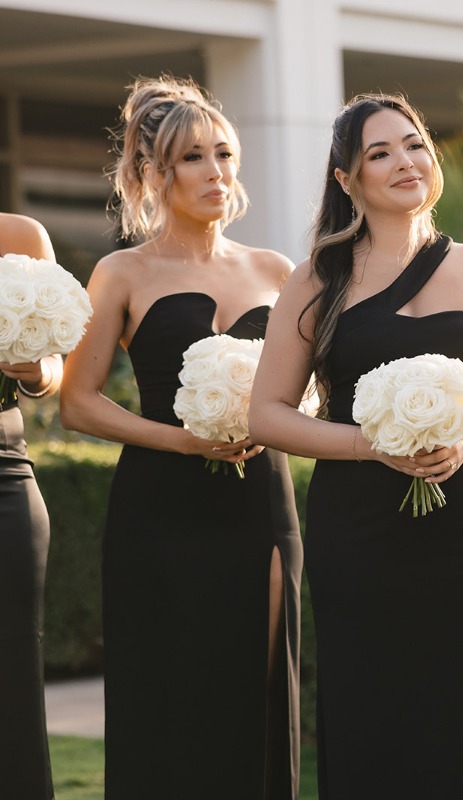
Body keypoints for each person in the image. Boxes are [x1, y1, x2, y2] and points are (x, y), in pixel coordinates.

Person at [248, 94, 463, 800]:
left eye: (414, 144)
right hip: (358, 531)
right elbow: (267, 415)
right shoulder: (316, 280)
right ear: (346, 180)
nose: (404, 162)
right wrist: (368, 445)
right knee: (372, 724)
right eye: (378, 153)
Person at [59, 76, 302, 799]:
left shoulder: (276, 271)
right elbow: (78, 401)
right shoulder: (121, 273)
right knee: (166, 694)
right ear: (150, 173)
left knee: (257, 685)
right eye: (193, 158)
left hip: (261, 503)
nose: (216, 173)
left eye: (224, 154)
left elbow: (302, 392)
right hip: (158, 511)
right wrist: (183, 442)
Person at [0, 213, 61, 800]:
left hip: (1, 474)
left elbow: (54, 366)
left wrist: (39, 370)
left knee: (10, 686)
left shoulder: (18, 236)